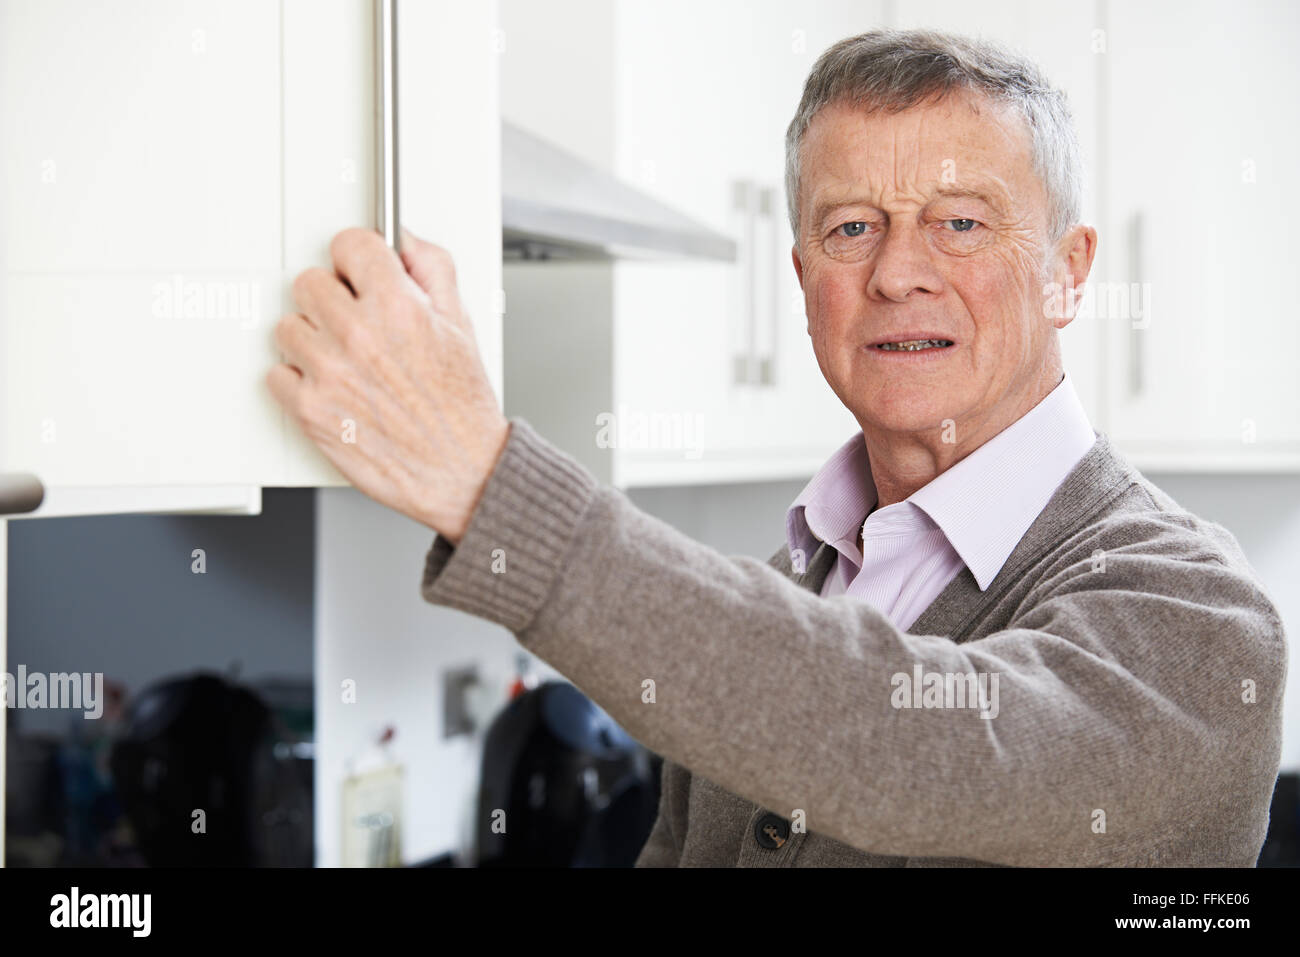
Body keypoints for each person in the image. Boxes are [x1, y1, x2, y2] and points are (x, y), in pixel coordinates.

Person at [266, 29, 1287, 867]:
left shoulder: (1197, 622)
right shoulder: (789, 591)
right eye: (851, 228)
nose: (897, 274)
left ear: (1068, 272)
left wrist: (490, 489)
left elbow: (914, 749)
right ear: (802, 280)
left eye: (961, 223)